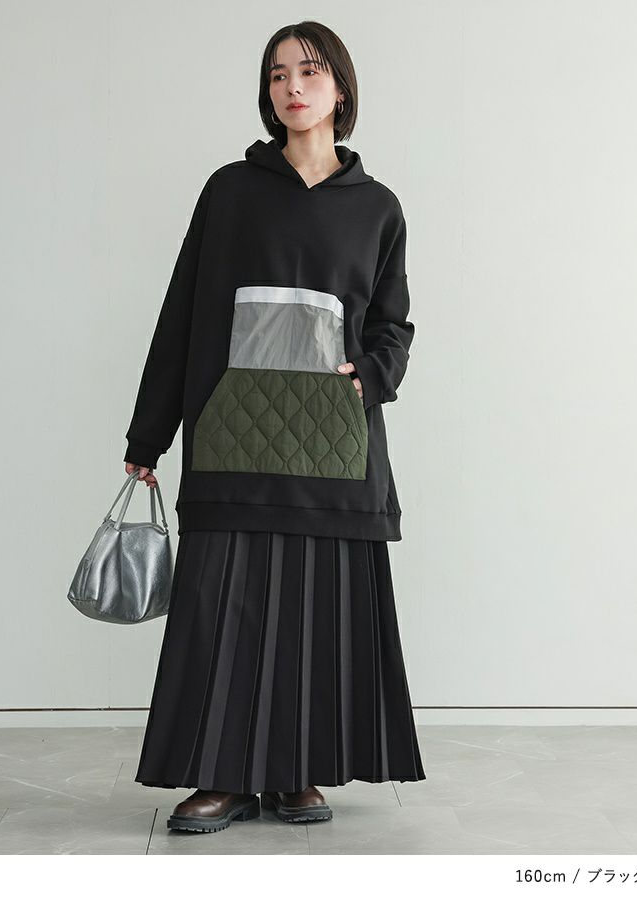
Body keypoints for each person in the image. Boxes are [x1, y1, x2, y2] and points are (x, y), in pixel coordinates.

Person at [123, 20, 426, 834]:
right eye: (278, 75)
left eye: (310, 71)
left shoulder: (378, 208)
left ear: (341, 89)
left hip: (332, 442)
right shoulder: (230, 191)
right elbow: (184, 312)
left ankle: (297, 775)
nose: (293, 87)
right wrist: (148, 438)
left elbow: (392, 326)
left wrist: (368, 379)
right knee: (224, 606)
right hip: (231, 434)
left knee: (318, 610)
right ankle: (222, 778)